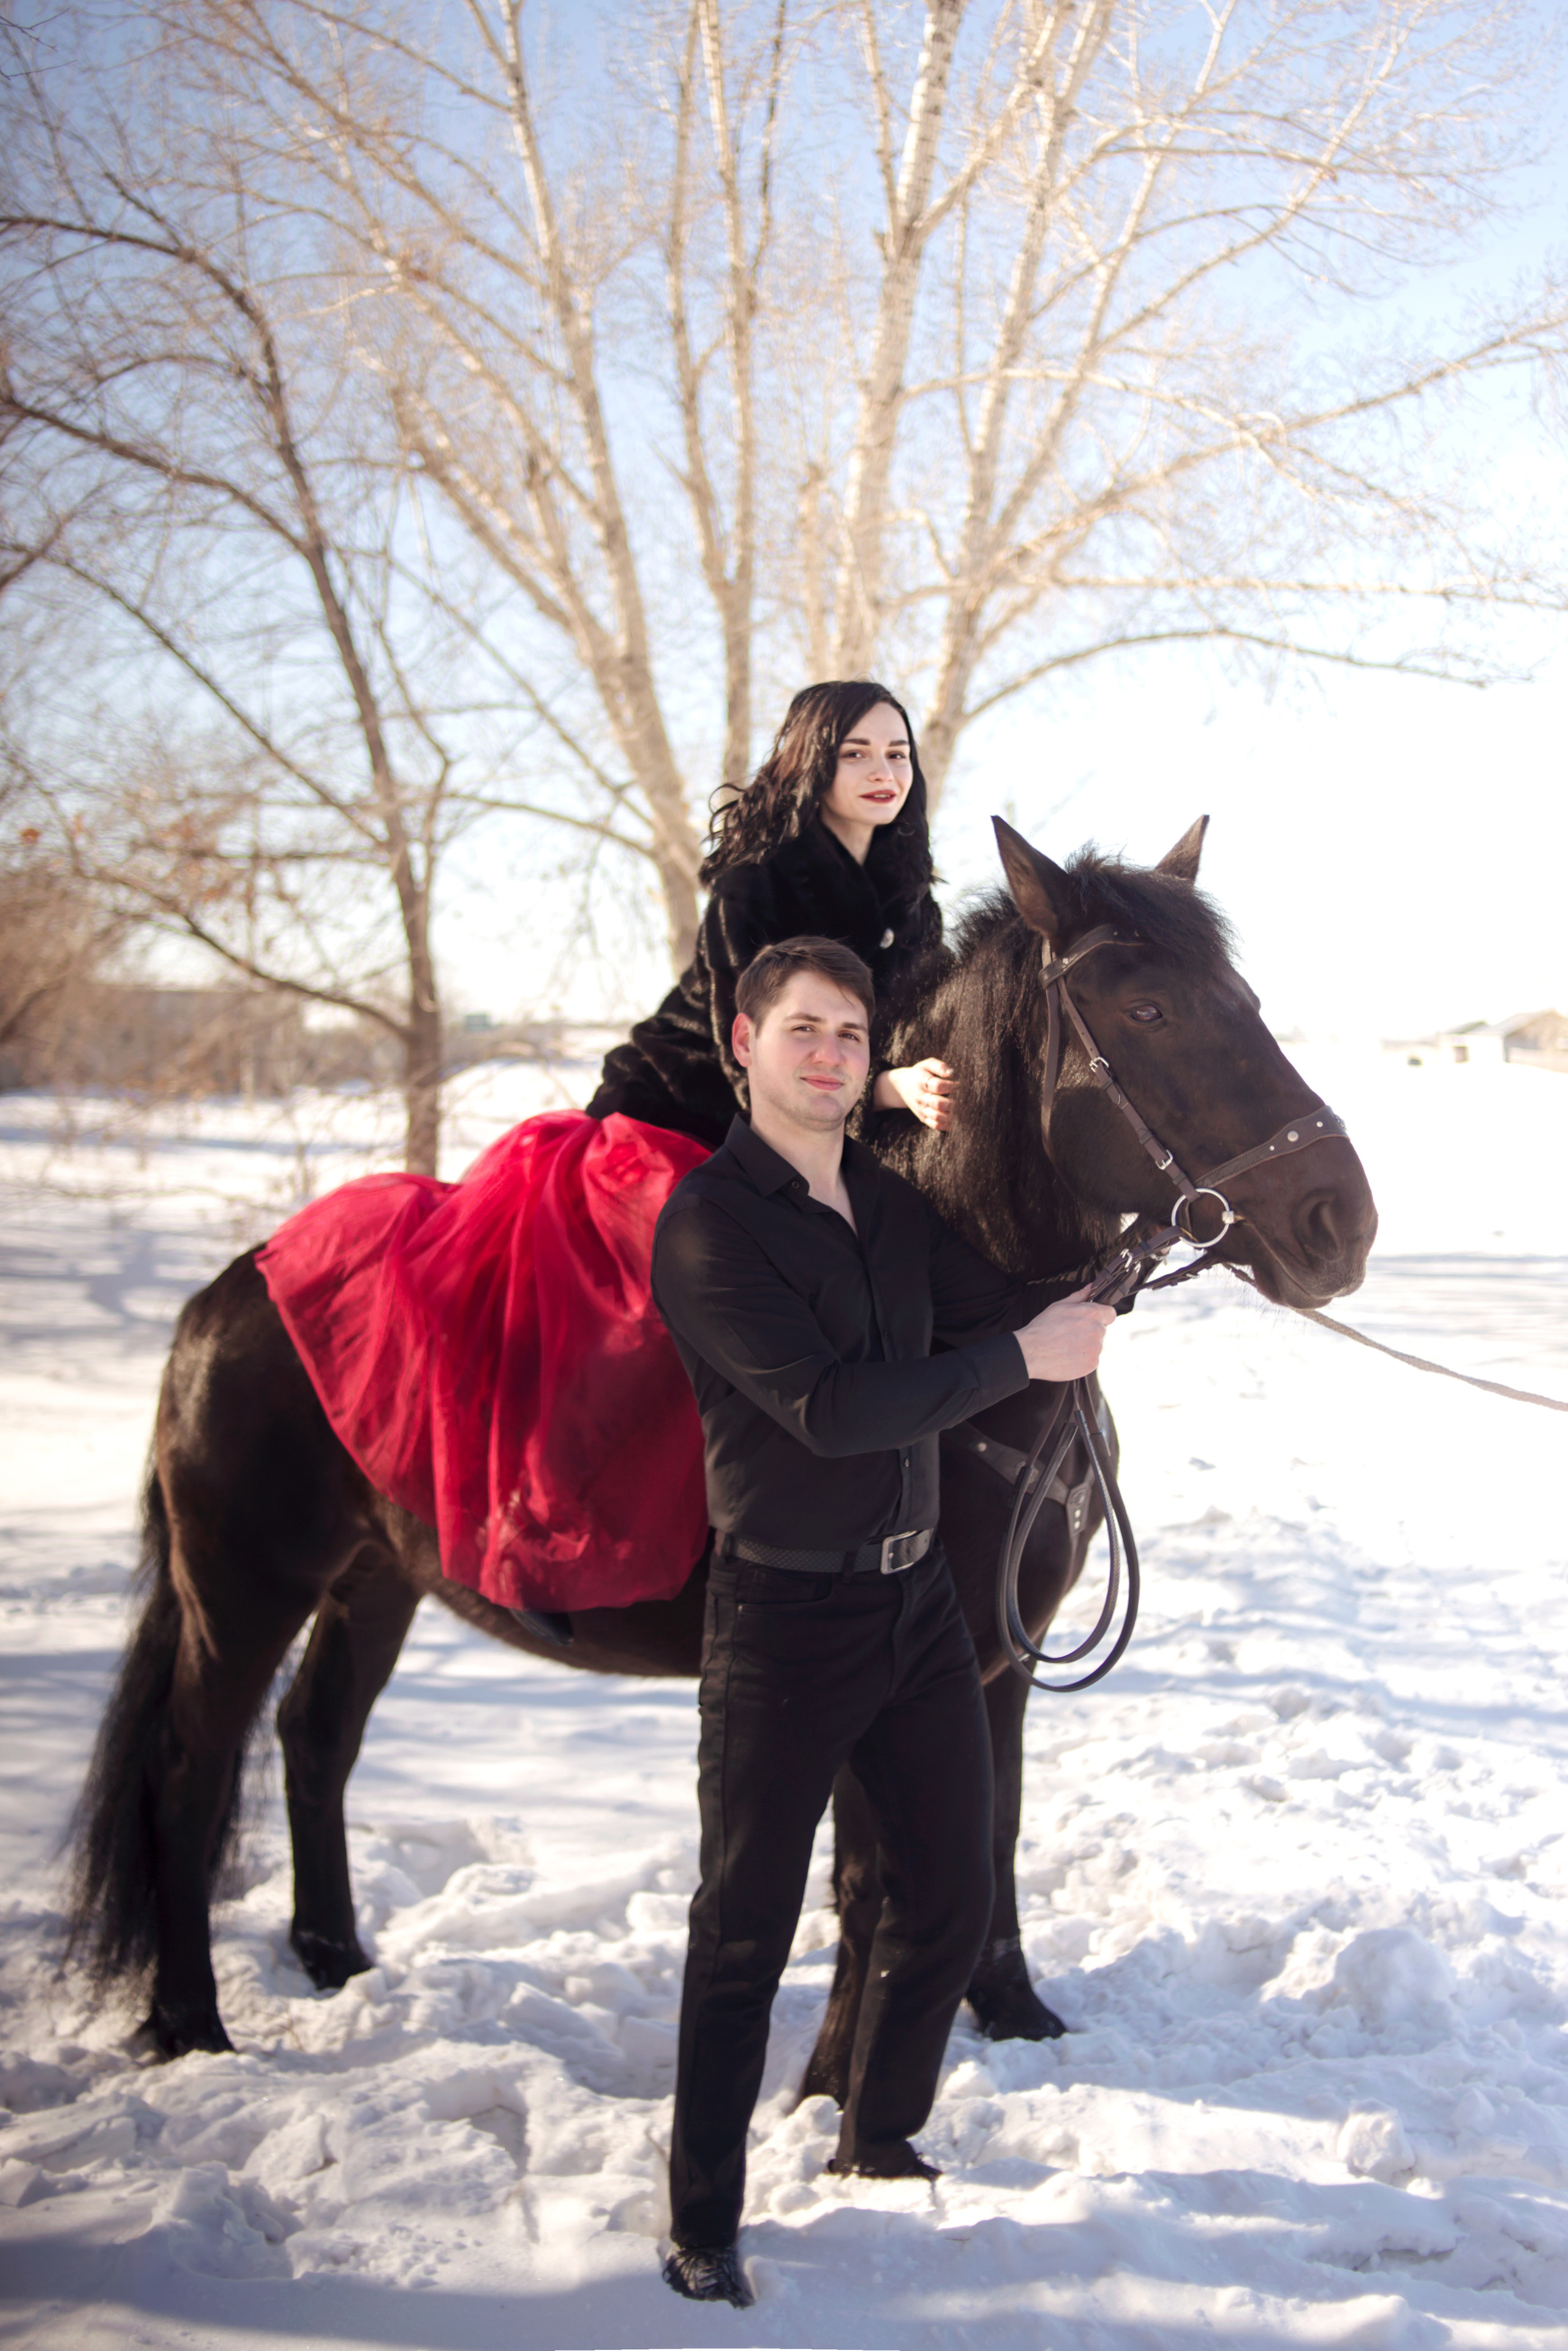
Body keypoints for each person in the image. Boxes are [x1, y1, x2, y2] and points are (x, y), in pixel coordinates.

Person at [255, 681, 960, 1630]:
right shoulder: (763, 880)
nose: (883, 773)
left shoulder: (912, 902)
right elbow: (744, 1044)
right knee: (649, 1313)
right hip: (689, 1108)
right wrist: (882, 1087)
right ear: (812, 764)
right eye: (857, 754)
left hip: (834, 1129)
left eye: (897, 755)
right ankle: (541, 1536)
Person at [650, 935, 1116, 2310]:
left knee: (954, 1885)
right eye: (802, 1030)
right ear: (744, 1043)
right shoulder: (709, 1223)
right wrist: (1014, 1358)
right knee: (741, 1929)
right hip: (784, 1612)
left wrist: (1123, 1258)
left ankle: (878, 2124)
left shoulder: (883, 1199)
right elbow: (839, 1406)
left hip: (914, 1599)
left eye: (851, 1037)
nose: (828, 1057)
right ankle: (700, 2219)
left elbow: (1003, 1306)